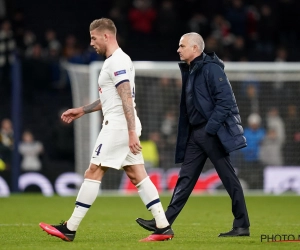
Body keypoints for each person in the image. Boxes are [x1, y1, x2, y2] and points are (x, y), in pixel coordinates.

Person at [39, 18, 173, 242]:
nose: (91, 43)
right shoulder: (118, 60)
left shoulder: (116, 62)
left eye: (93, 38)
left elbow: (126, 98)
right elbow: (112, 97)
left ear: (106, 36)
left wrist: (130, 132)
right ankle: (163, 225)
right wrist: (83, 110)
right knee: (137, 174)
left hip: (119, 126)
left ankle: (70, 228)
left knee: (93, 172)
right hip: (123, 124)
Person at [136, 32, 250, 237]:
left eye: (182, 46)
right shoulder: (192, 70)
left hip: (210, 133)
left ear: (195, 48)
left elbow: (226, 102)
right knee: (185, 179)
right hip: (197, 134)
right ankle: (163, 223)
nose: (178, 49)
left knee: (228, 179)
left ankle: (242, 225)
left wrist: (210, 129)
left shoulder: (211, 69)